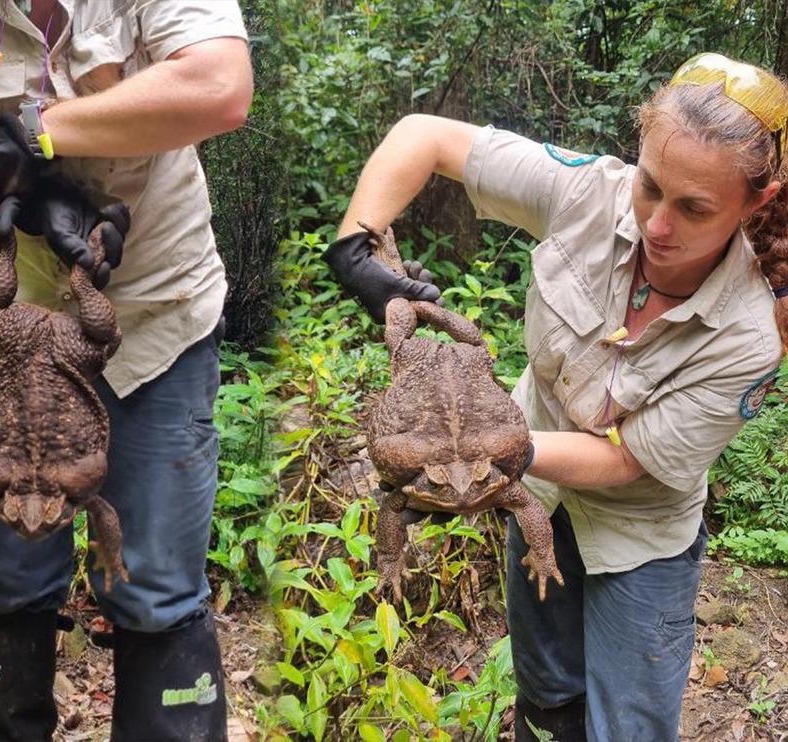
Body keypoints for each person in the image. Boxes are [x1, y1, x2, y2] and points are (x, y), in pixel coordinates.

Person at [325, 53, 788, 740]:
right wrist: (357, 251)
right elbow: (423, 135)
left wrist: (488, 453)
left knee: (628, 724)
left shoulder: (748, 337)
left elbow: (627, 461)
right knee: (545, 696)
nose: (658, 224)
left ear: (760, 200)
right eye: (651, 186)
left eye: (694, 208)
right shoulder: (589, 193)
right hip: (535, 496)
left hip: (638, 533)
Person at [0, 1, 253, 739]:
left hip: (154, 317)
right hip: (10, 341)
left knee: (155, 588)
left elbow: (220, 86)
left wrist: (35, 137)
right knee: (8, 582)